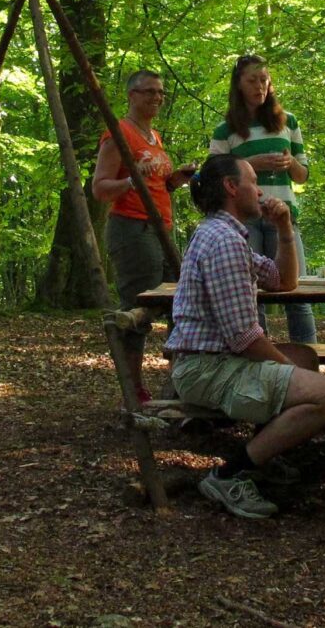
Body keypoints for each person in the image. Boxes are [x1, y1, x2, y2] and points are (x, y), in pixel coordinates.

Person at [165, 154, 325, 519]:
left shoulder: (226, 233)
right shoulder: (223, 242)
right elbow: (244, 338)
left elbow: (284, 281)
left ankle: (264, 456)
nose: (260, 189)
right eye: (252, 181)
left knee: (305, 357)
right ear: (232, 188)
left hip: (212, 360)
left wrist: (284, 229)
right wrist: (291, 374)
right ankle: (228, 475)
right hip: (207, 369)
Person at [92, 70, 195, 404]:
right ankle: (132, 389)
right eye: (149, 91)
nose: (156, 98)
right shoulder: (118, 134)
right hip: (133, 229)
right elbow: (100, 188)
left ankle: (182, 381)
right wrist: (130, 182)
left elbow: (157, 184)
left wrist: (176, 178)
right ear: (131, 95)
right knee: (139, 308)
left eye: (161, 93)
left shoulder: (154, 136)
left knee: (179, 303)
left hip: (160, 229)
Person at [209, 54, 317, 344]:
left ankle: (308, 358)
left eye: (264, 80)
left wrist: (289, 163)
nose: (260, 86)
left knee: (297, 293)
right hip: (246, 220)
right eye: (252, 80)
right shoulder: (225, 130)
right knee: (250, 294)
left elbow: (303, 175)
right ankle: (259, 356)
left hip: (283, 216)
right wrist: (251, 163)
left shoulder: (288, 122)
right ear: (239, 85)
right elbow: (214, 177)